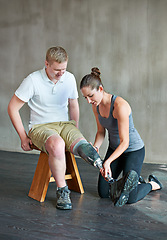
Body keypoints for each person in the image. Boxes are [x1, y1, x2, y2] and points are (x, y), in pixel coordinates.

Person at [8, 47, 106, 210]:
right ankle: (62, 191)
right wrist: (23, 137)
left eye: (64, 69)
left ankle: (102, 167)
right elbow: (12, 107)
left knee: (83, 146)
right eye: (57, 70)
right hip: (40, 127)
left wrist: (75, 129)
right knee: (57, 144)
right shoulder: (32, 80)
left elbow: (73, 104)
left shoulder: (69, 78)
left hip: (65, 125)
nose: (62, 73)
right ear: (46, 64)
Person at [80, 67, 162, 207]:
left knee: (130, 198)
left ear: (100, 89)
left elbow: (125, 142)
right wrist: (95, 147)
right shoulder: (96, 106)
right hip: (114, 150)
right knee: (104, 192)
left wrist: (107, 162)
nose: (88, 101)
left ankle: (152, 184)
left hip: (133, 151)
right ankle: (131, 181)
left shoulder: (120, 106)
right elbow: (101, 132)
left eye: (91, 96)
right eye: (85, 97)